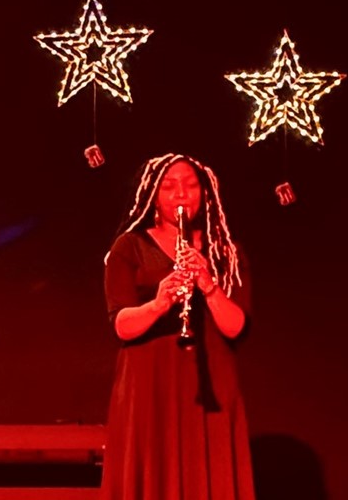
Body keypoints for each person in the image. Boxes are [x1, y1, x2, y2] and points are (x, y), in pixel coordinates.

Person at [101, 153, 254, 499]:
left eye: (189, 185)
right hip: (149, 384)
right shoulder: (129, 247)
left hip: (211, 384)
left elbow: (235, 328)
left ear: (205, 192)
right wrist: (158, 304)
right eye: (169, 187)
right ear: (154, 195)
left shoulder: (227, 254)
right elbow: (122, 325)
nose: (181, 194)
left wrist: (208, 285)